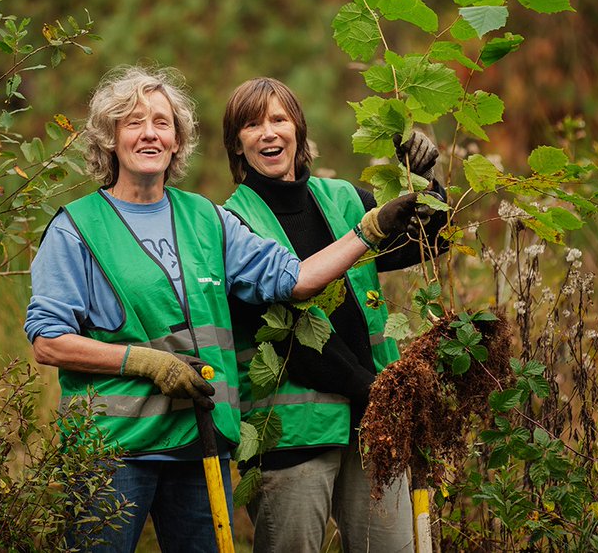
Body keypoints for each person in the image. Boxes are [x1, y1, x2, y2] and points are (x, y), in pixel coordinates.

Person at [23, 66, 422, 553]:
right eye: (132, 122)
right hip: (112, 449)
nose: (149, 132)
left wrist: (369, 231)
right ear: (109, 138)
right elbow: (47, 340)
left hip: (198, 440)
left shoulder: (206, 219)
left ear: (177, 141)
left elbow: (293, 279)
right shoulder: (75, 229)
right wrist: (141, 361)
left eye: (162, 123)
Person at [221, 77, 444, 553]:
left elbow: (425, 245)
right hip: (293, 437)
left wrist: (424, 181)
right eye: (252, 124)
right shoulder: (232, 224)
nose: (268, 133)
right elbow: (279, 335)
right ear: (237, 145)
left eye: (279, 119)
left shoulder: (344, 199)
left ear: (299, 131)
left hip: (373, 426)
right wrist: (372, 389)